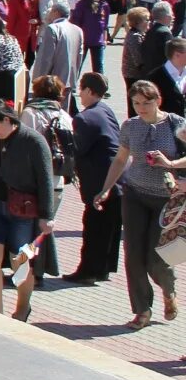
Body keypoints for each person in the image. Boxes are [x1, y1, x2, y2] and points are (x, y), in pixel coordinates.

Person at [95, 78, 183, 330]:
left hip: (167, 198)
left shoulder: (176, 124)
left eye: (146, 103)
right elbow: (121, 159)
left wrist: (170, 163)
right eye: (136, 103)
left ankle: (168, 290)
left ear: (158, 101)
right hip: (135, 193)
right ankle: (142, 310)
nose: (141, 108)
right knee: (133, 254)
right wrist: (106, 188)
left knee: (156, 257)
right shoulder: (130, 126)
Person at [0, 99, 57, 322]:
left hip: (22, 210)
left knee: (19, 260)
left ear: (7, 120)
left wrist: (46, 216)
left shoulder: (33, 141)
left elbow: (45, 178)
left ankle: (23, 307)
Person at [67, 72, 123, 284]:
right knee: (109, 227)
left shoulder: (84, 118)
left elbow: (78, 149)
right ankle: (103, 268)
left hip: (99, 180)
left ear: (90, 91)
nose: (79, 94)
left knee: (94, 225)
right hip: (116, 178)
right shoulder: (105, 110)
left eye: (81, 89)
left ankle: (88, 270)